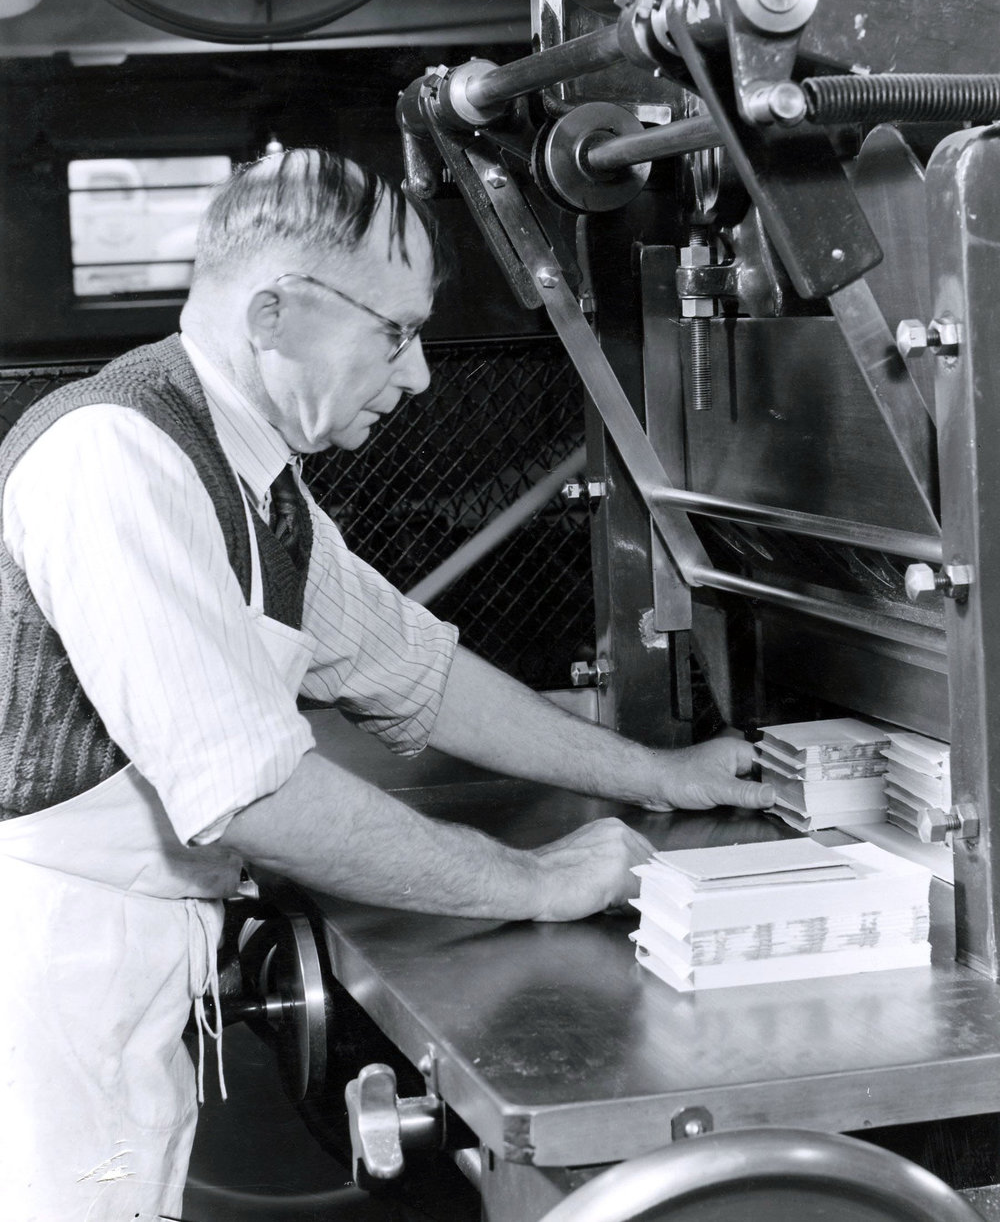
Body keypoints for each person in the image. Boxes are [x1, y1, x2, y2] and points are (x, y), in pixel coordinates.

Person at [0, 147, 773, 1221]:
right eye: (394, 333)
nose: (416, 378)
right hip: (44, 978)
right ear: (273, 315)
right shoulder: (117, 457)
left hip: (120, 965)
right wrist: (538, 883)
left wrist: (661, 775)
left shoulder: (252, 478)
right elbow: (254, 795)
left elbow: (414, 670)